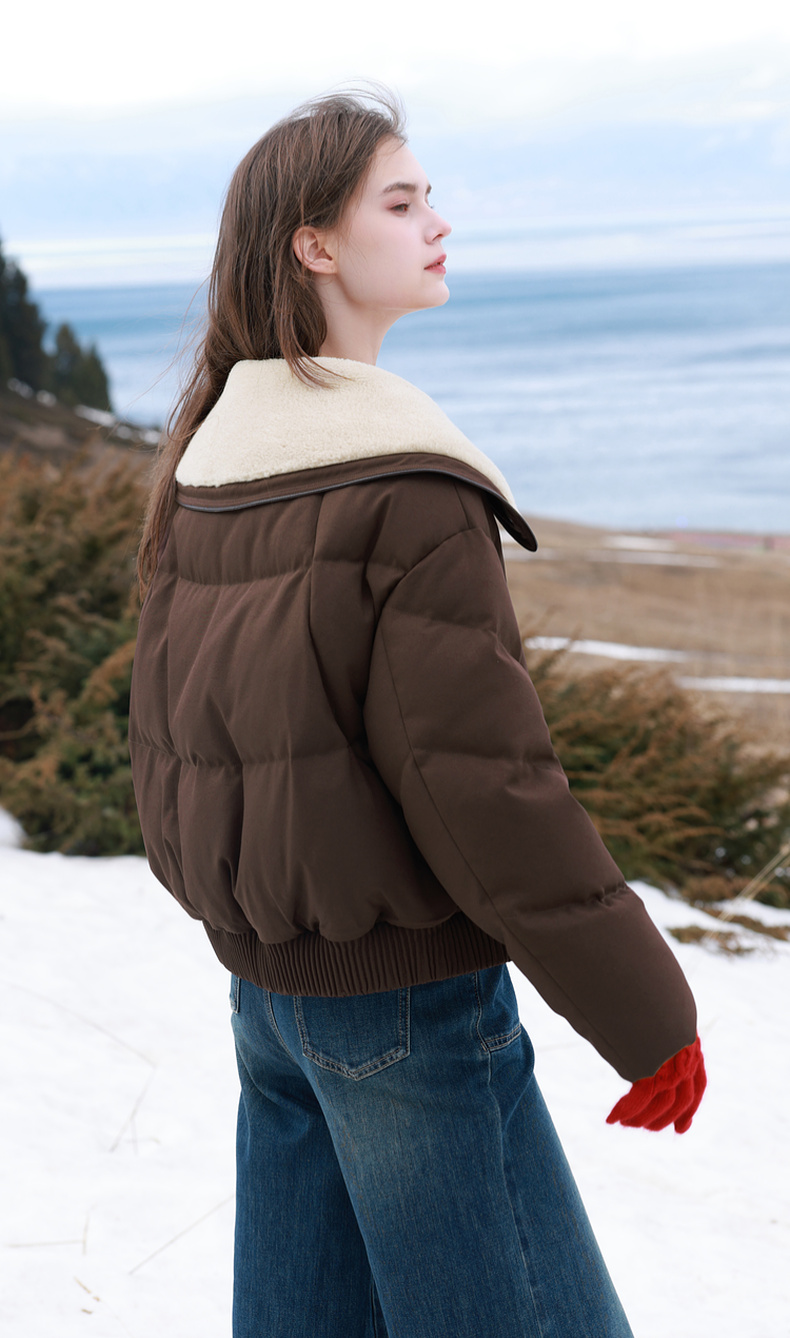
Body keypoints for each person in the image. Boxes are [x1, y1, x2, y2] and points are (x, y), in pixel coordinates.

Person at [128, 86, 707, 1338]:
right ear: (315, 245)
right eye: (401, 203)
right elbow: (483, 784)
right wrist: (647, 1013)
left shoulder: (212, 461)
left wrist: (256, 938)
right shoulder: (404, 482)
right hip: (404, 1005)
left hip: (273, 1001)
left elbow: (175, 750)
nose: (437, 223)